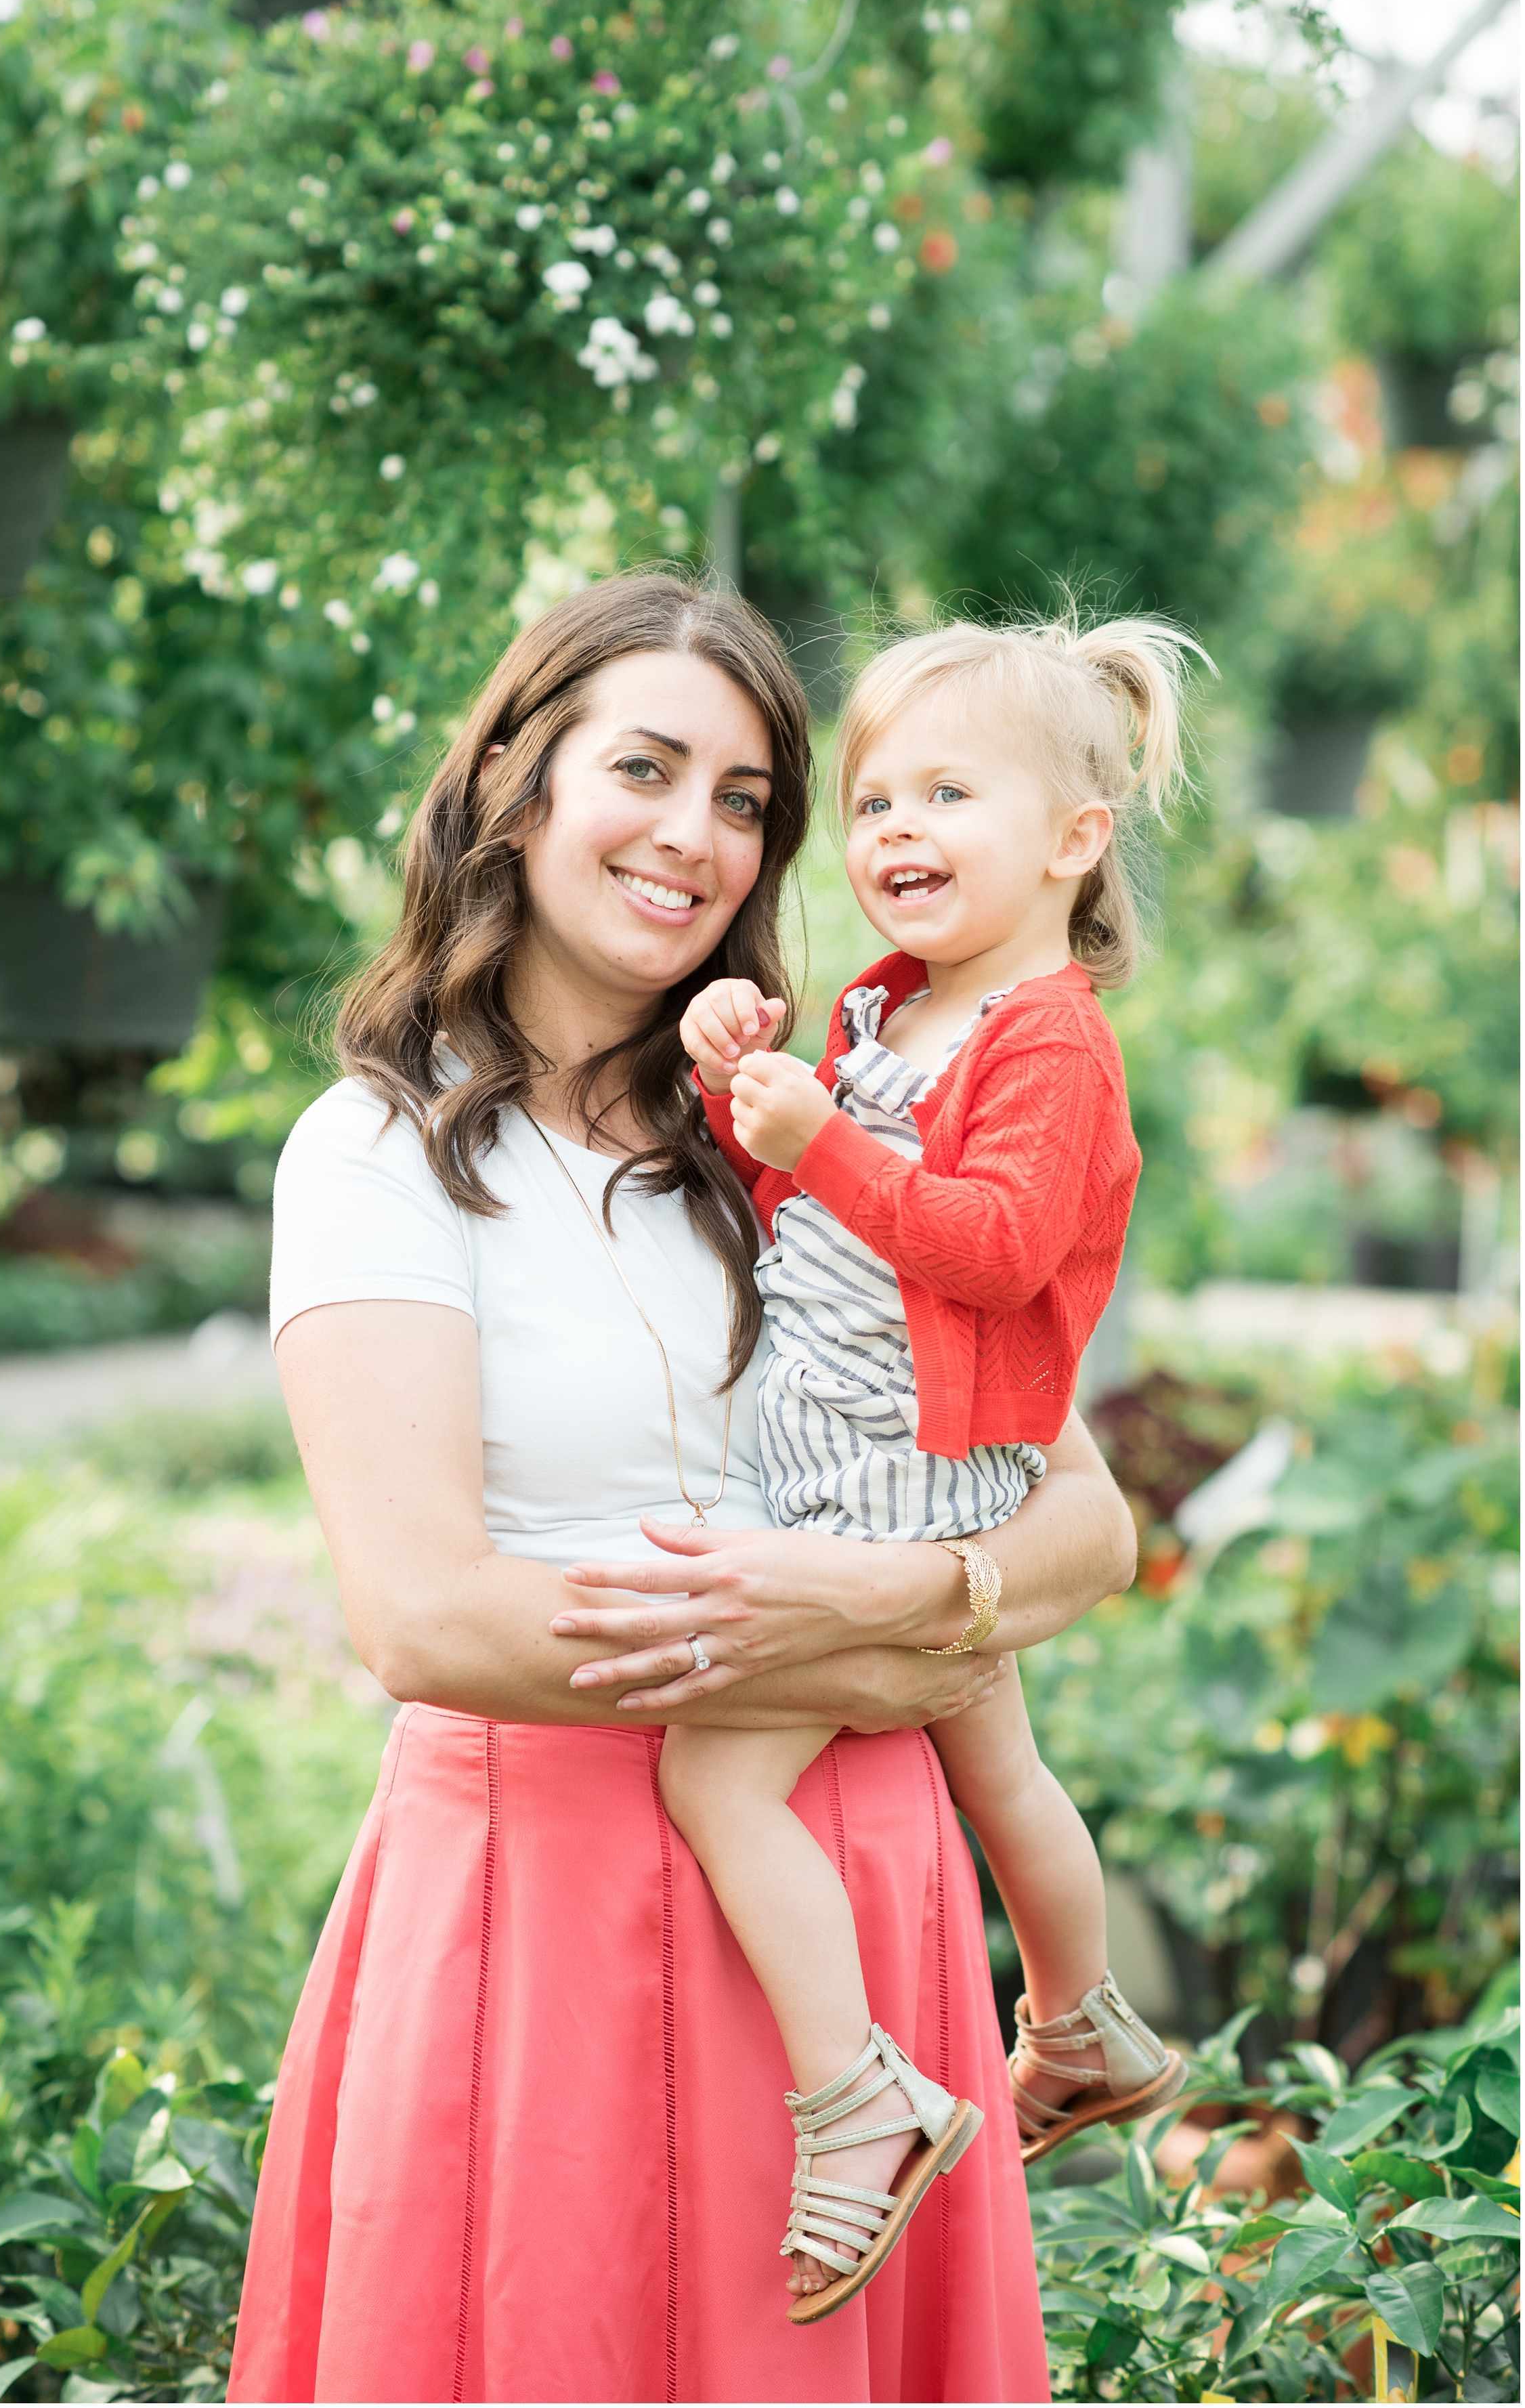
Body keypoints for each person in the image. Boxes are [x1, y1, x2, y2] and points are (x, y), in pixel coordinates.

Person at [226, 574, 1138, 2407]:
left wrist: (907, 1609)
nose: (693, 838)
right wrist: (851, 1639)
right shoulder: (382, 1153)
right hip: (536, 1911)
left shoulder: (810, 1124)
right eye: (643, 768)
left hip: (853, 1892)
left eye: (743, 803)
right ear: (516, 782)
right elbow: (419, 1612)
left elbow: (1084, 1518)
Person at [569, 614, 1197, 2319]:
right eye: (868, 801)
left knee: (713, 1778)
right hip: (857, 1440)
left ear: (1075, 836)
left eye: (945, 792)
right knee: (996, 1759)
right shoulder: (885, 1002)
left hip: (894, 1479)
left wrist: (822, 1137)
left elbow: (990, 1252)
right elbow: (808, 1233)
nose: (893, 831)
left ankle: (857, 2098)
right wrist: (739, 1096)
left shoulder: (1049, 1041)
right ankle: (1079, 2016)